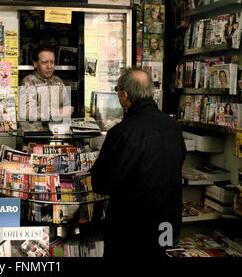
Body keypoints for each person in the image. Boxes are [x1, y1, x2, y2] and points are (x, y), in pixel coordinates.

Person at [91, 68, 186, 257]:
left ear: (124, 95)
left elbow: (102, 182)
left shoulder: (122, 132)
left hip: (132, 227)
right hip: (167, 222)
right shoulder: (173, 126)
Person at [20, 47, 73, 121]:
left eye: (52, 62)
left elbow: (66, 107)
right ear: (35, 64)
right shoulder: (29, 81)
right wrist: (56, 112)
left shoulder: (58, 82)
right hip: (36, 130)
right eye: (45, 62)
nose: (49, 66)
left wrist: (68, 110)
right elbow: (25, 112)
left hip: (57, 128)